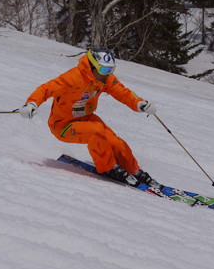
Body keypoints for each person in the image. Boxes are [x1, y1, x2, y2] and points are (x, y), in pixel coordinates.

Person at [19, 46, 158, 186]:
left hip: (86, 118)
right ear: (92, 66)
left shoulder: (105, 79)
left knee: (114, 141)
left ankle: (133, 170)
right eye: (104, 70)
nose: (107, 74)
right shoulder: (72, 78)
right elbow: (46, 89)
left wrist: (139, 103)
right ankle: (108, 168)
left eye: (111, 70)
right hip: (63, 125)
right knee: (97, 131)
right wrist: (32, 104)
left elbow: (122, 92)